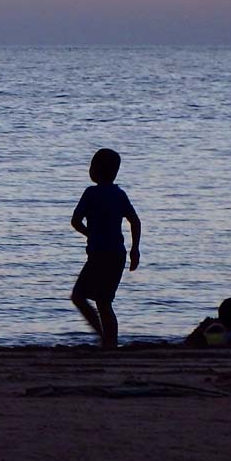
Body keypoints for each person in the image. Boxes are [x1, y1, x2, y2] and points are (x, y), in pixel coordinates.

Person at [69, 148, 142, 349]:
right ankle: (110, 343)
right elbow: (135, 221)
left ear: (95, 170)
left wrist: (89, 234)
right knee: (104, 302)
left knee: (79, 296)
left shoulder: (91, 193)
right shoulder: (119, 194)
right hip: (118, 254)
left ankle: (103, 336)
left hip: (99, 255)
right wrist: (135, 249)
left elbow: (75, 221)